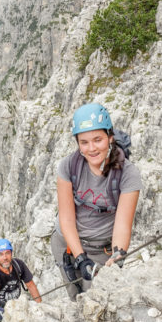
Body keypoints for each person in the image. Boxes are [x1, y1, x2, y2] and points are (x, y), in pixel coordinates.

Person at [50, 103, 142, 300]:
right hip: (66, 242)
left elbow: (123, 225)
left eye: (97, 140)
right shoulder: (68, 166)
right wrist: (81, 258)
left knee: (95, 298)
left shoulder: (128, 174)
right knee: (73, 292)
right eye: (84, 142)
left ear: (110, 138)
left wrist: (117, 257)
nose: (91, 148)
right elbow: (66, 218)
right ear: (78, 143)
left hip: (101, 249)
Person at [0, 238, 42, 322]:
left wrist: (39, 306)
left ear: (11, 253)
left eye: (7, 253)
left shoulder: (19, 265)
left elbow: (31, 285)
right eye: (1, 254)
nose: (5, 257)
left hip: (15, 303)